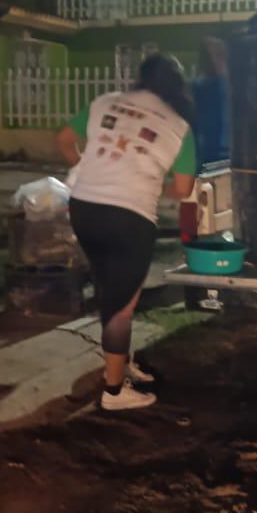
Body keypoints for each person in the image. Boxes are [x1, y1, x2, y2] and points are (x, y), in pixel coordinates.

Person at [56, 53, 197, 411]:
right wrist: (150, 187)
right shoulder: (179, 127)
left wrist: (88, 169)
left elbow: (63, 139)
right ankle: (115, 392)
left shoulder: (107, 103)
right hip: (129, 219)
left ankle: (122, 361)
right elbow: (182, 189)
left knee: (111, 289)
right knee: (122, 306)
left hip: (84, 208)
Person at [191, 36, 230, 166]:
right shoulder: (197, 88)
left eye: (219, 54)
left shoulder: (238, 86)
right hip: (206, 155)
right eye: (209, 56)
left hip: (232, 154)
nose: (214, 61)